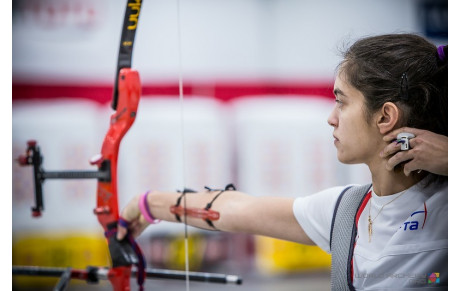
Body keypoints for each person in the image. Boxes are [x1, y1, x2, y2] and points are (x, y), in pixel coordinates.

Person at [117, 34, 448, 289]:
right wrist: (146, 204)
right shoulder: (347, 211)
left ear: (386, 116)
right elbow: (236, 210)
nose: (331, 118)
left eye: (341, 102)